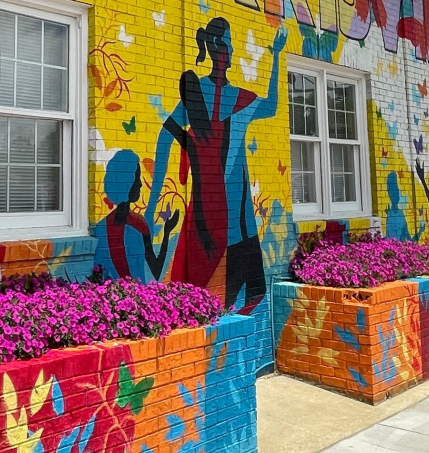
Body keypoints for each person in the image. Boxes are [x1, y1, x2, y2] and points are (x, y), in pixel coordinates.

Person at [152, 18, 286, 312]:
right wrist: (152, 205)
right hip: (208, 206)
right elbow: (165, 135)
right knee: (209, 284)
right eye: (227, 42)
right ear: (215, 46)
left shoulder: (238, 97)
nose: (233, 49)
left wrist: (277, 55)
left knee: (244, 289)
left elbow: (272, 105)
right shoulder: (197, 93)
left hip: (236, 211)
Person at [91, 149, 176, 282]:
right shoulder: (139, 224)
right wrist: (166, 233)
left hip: (111, 296)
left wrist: (166, 232)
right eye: (137, 178)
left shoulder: (101, 226)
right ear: (128, 182)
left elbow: (97, 274)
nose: (141, 184)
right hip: (136, 296)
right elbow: (156, 270)